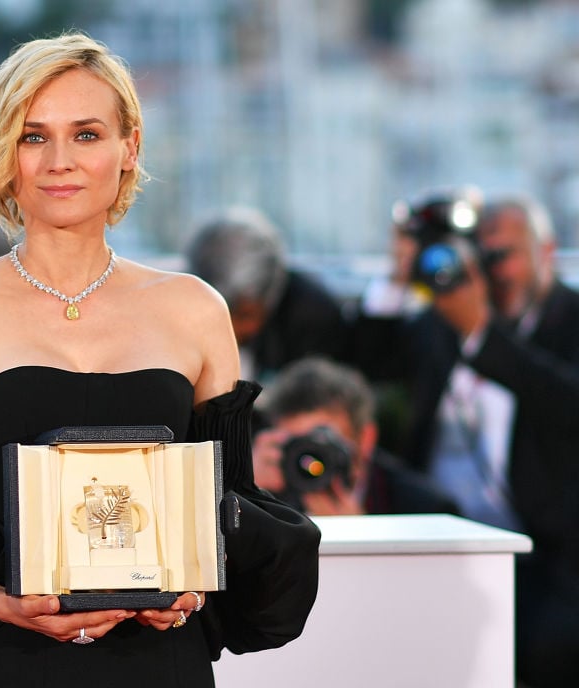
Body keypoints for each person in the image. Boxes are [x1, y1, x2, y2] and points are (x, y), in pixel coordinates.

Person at [0, 33, 320, 687]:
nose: (60, 160)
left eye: (86, 134)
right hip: (4, 659)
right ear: (4, 154)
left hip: (159, 662)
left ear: (129, 148)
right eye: (34, 136)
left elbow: (222, 510)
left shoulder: (194, 308)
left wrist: (190, 591)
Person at [353, 190, 579, 687]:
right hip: (439, 531)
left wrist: (481, 334)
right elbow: (365, 364)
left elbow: (566, 401)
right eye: (481, 255)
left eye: (504, 255)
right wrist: (398, 278)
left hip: (547, 550)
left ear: (546, 252)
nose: (493, 271)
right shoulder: (443, 321)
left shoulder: (568, 319)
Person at [251, 356, 457, 517]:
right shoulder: (267, 493)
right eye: (297, 445)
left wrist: (362, 538)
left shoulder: (424, 510)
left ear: (366, 439)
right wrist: (248, 493)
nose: (310, 459)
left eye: (323, 439)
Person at [185, 207, 351, 383]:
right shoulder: (172, 315)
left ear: (273, 294)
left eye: (244, 314)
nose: (232, 327)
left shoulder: (314, 319)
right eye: (221, 312)